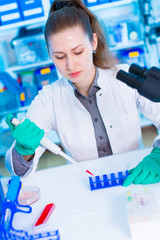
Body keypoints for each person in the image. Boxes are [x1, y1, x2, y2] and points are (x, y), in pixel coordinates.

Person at [5, 0, 160, 186]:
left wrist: (158, 156)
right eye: (60, 56)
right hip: (87, 184)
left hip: (137, 176)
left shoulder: (124, 77)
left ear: (93, 42)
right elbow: (18, 171)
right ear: (49, 54)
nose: (70, 65)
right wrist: (25, 150)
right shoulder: (48, 99)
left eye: (78, 52)